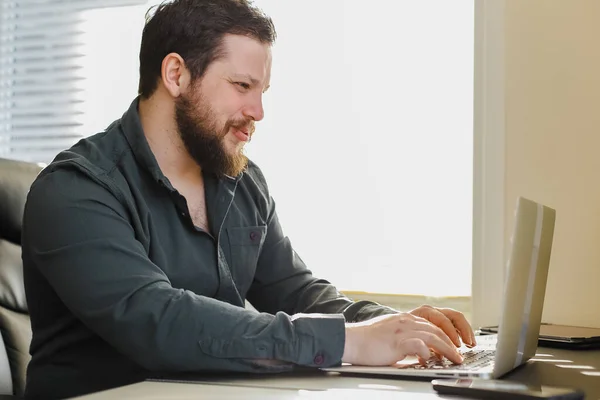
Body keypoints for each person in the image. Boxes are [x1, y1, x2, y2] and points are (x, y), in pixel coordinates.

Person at [21, 1, 476, 398]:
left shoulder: (240, 181)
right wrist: (350, 342)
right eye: (242, 87)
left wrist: (395, 326)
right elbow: (159, 322)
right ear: (176, 74)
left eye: (262, 92)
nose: (259, 112)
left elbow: (297, 292)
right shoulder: (77, 190)